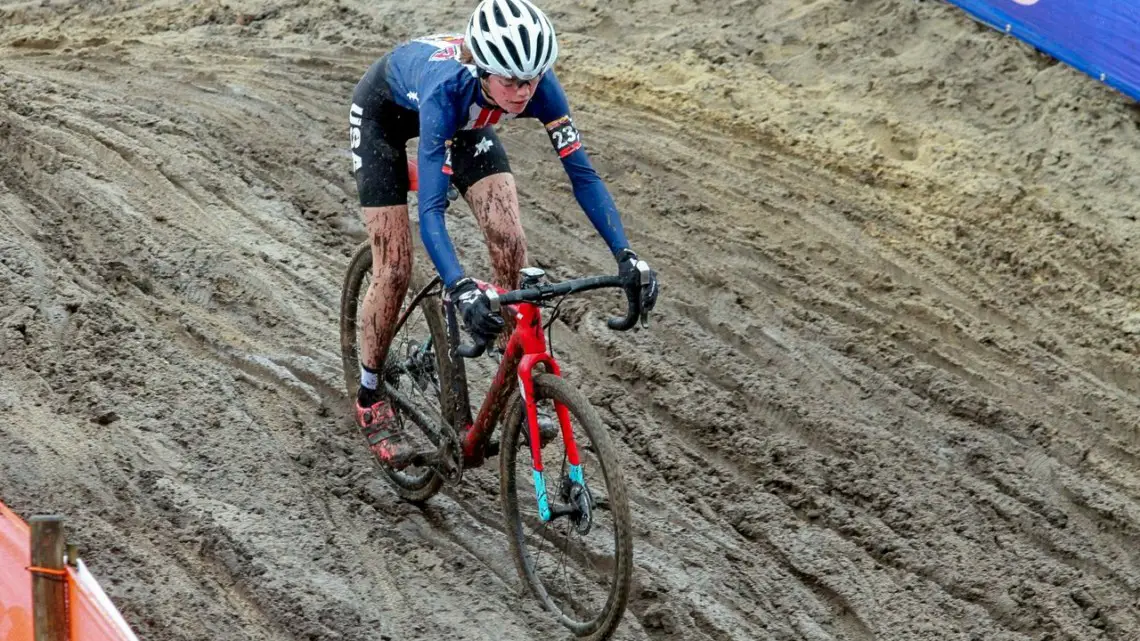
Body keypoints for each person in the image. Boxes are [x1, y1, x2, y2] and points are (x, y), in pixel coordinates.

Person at [348, 0, 659, 468]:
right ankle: (370, 396)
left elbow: (584, 176)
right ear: (483, 69)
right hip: (384, 120)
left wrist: (627, 255)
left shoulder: (536, 87)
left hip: (470, 122)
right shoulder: (448, 90)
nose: (523, 93)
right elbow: (430, 213)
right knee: (394, 264)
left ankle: (512, 367)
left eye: (532, 80)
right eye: (512, 82)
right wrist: (459, 287)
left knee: (509, 238)